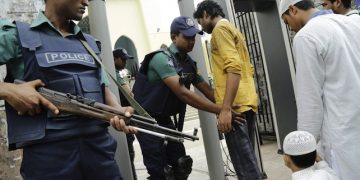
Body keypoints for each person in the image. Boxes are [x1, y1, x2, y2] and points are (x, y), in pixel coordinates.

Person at [0, 0, 136, 179]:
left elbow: (101, 88)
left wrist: (117, 111)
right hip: (49, 161)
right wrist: (9, 90)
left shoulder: (90, 44)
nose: (86, 2)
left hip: (101, 156)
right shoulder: (16, 36)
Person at [132, 16, 244, 180]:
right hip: (145, 118)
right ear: (174, 37)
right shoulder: (162, 58)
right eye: (187, 37)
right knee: (161, 172)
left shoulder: (189, 63)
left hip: (164, 119)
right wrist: (221, 109)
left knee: (182, 164)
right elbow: (183, 93)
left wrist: (228, 106)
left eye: (193, 37)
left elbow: (207, 90)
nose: (191, 41)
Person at [278, 0, 360, 179]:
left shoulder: (306, 37)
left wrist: (303, 153)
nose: (290, 28)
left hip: (341, 136)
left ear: (293, 10)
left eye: (286, 22)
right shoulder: (354, 23)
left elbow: (310, 102)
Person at [194, 1, 262, 179]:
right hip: (246, 101)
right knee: (249, 163)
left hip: (235, 107)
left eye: (201, 21)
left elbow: (234, 67)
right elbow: (247, 67)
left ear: (207, 14)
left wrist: (225, 109)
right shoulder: (233, 29)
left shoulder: (219, 30)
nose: (202, 26)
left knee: (246, 170)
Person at [113, 48, 138, 180]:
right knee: (128, 157)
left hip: (118, 118)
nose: (125, 63)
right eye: (123, 59)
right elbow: (129, 94)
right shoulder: (115, 73)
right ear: (115, 59)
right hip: (122, 118)